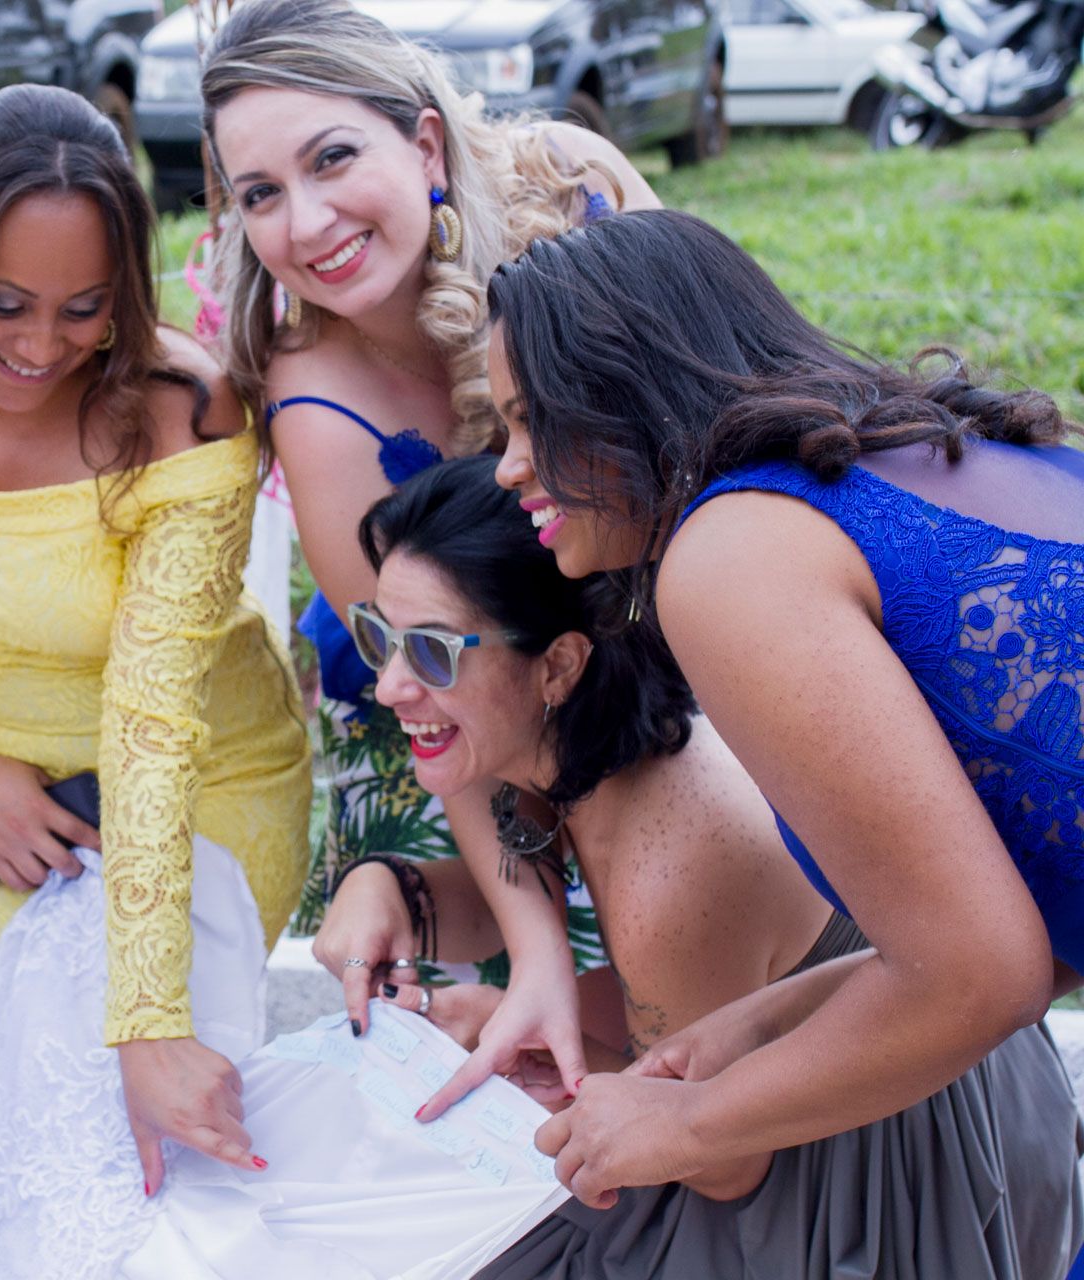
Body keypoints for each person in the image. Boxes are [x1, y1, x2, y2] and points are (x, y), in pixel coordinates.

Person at [480, 206, 1084, 1246]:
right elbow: (1046, 904)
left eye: (535, 421)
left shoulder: (731, 554)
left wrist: (681, 1126)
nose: (507, 465)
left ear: (630, 390)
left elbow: (983, 976)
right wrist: (761, 1020)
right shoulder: (945, 456)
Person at [318, 456, 1082, 1276]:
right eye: (379, 637)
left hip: (878, 1156)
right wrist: (390, 886)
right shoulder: (579, 746)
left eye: (431, 652)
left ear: (560, 665)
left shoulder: (668, 867)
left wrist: (520, 1038)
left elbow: (718, 1161)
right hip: (844, 1062)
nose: (390, 686)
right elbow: (526, 892)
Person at [0, 83, 312, 1271]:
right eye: (5, 305)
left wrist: (149, 1020)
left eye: (84, 309)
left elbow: (152, 721)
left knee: (109, 1149)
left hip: (189, 797)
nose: (41, 347)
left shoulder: (185, 415)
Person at [199, 0, 656, 1014]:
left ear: (425, 143)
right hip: (445, 735)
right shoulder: (317, 404)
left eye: (332, 158)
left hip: (650, 647)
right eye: (262, 193)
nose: (305, 224)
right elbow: (434, 701)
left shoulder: (576, 184)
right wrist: (538, 951)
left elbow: (713, 426)